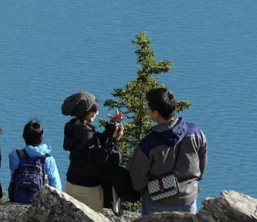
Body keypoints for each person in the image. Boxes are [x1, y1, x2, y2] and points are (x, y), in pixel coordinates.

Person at [130, 88, 207, 216]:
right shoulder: (195, 132)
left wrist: (148, 190)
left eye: (149, 108)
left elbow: (138, 179)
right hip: (188, 197)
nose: (148, 111)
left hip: (156, 200)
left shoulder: (148, 144)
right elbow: (202, 166)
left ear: (156, 113)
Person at [62, 91, 125, 213]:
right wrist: (114, 140)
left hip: (71, 183)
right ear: (84, 113)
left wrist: (112, 125)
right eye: (94, 110)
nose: (97, 113)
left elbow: (94, 141)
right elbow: (101, 158)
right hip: (88, 187)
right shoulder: (86, 134)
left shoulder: (71, 128)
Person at [8, 120, 62, 202]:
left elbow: (13, 175)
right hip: (39, 204)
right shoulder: (48, 159)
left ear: (24, 136)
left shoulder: (15, 155)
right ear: (41, 137)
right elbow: (56, 185)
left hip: (17, 199)